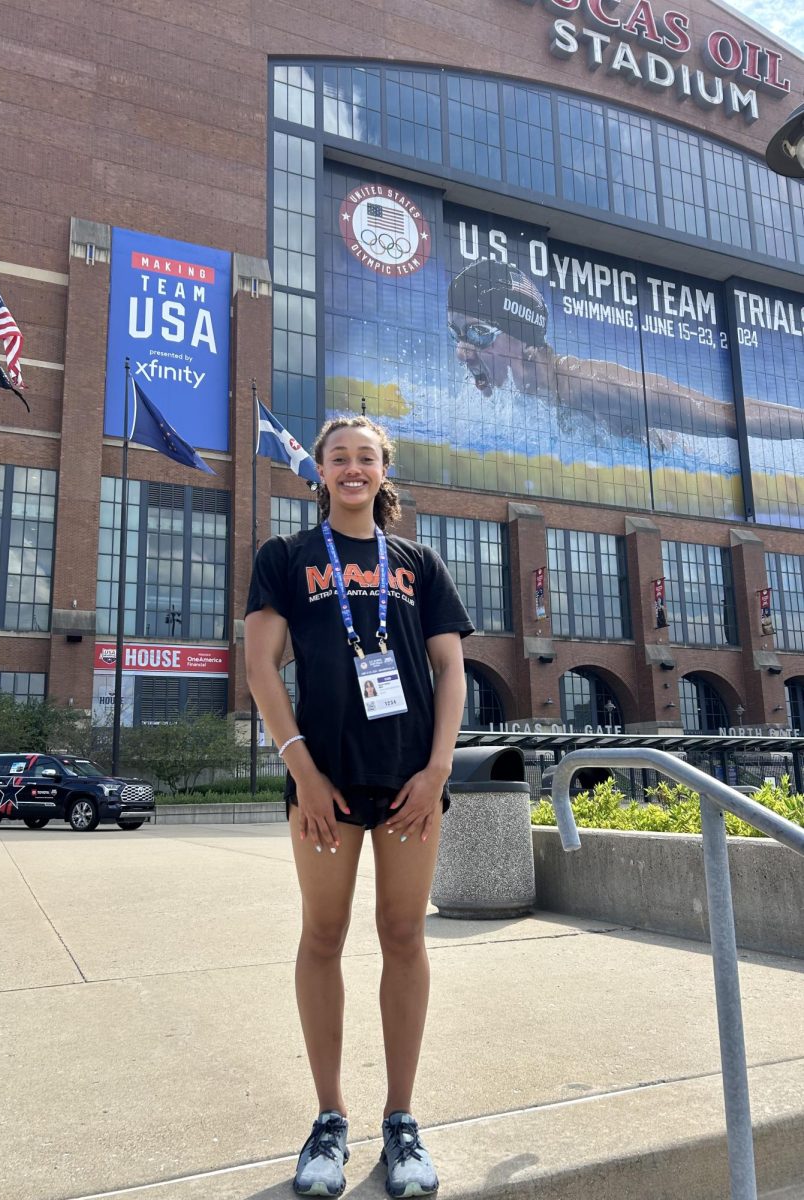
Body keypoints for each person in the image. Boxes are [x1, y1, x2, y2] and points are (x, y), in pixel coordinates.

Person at [245, 415, 473, 1198]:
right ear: (319, 470)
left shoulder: (419, 562)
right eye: (337, 457)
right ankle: (329, 1120)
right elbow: (261, 666)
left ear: (383, 471)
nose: (351, 468)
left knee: (405, 935)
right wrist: (301, 769)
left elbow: (450, 671)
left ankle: (401, 1122)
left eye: (365, 458)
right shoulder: (285, 557)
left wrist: (438, 768)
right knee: (323, 935)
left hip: (411, 782)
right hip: (326, 783)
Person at [447, 257, 804, 444]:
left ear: (525, 340)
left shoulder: (593, 386)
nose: (463, 353)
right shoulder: (531, 396)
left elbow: (726, 415)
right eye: (457, 335)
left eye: (479, 334)